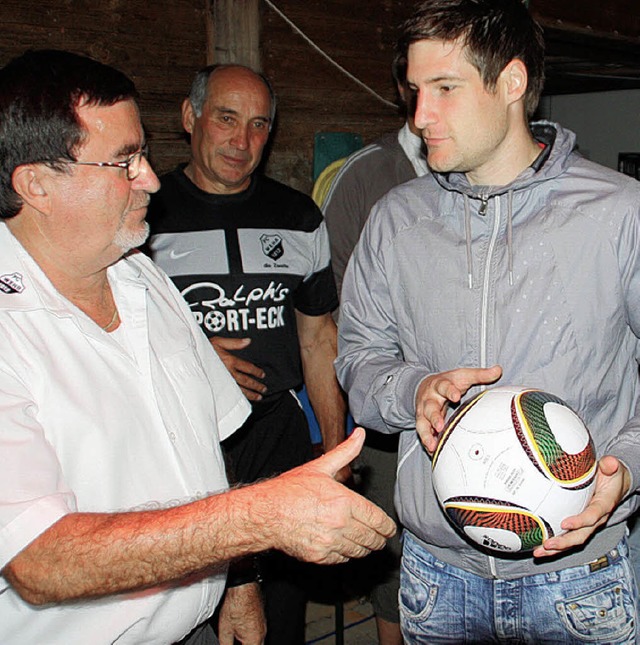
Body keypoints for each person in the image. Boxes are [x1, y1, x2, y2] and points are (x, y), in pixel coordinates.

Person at [0, 49, 396, 645]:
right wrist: (261, 519)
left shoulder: (143, 279)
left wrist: (237, 584)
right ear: (35, 183)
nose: (151, 179)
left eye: (144, 154)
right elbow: (39, 561)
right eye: (124, 162)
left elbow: (205, 463)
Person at [336, 0, 640, 642]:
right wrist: (411, 389)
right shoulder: (395, 220)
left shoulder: (621, 214)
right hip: (435, 577)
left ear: (511, 83)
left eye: (445, 88)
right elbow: (358, 358)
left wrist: (626, 470)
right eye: (416, 92)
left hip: (580, 578)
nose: (420, 118)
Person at [146, 63, 347, 644]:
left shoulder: (300, 218)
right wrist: (192, 356)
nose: (241, 141)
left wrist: (331, 455)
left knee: (279, 613)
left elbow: (318, 339)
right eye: (226, 119)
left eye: (258, 125)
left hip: (278, 439)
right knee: (191, 612)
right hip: (183, 443)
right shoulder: (143, 214)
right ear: (191, 117)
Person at [320, 53, 426, 645]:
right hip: (390, 409)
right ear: (398, 88)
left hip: (477, 400)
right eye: (418, 85)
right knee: (396, 557)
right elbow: (334, 310)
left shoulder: (479, 173)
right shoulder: (363, 177)